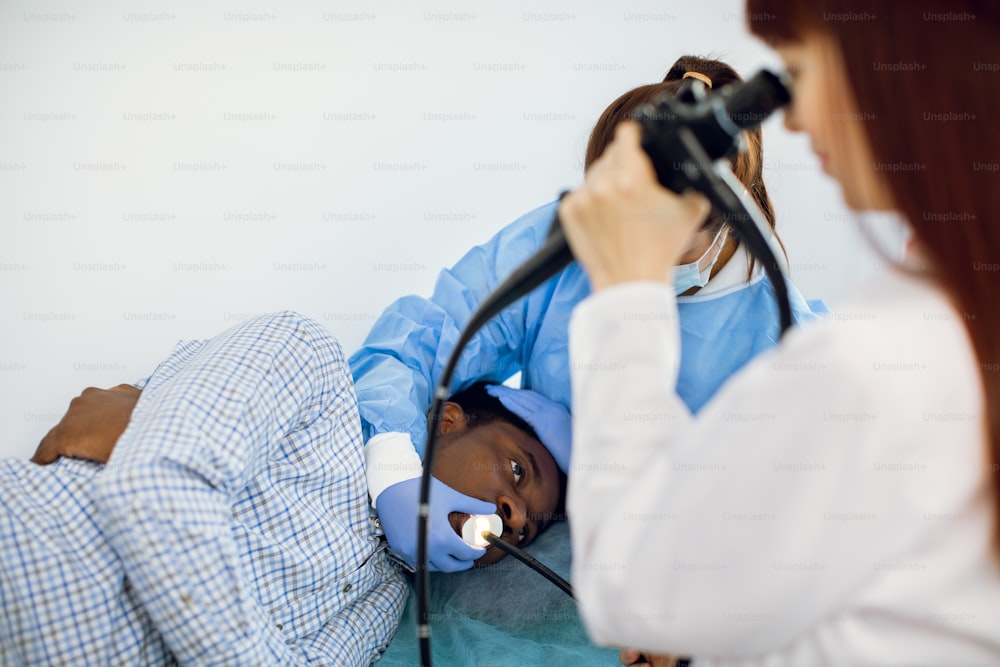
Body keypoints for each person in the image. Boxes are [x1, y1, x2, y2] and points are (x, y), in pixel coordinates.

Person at [557, 1, 1000, 664]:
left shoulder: (877, 361)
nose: (793, 117)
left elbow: (634, 582)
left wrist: (627, 289)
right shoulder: (946, 316)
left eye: (797, 70)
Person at [349, 54, 828, 574]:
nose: (615, 248)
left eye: (650, 235)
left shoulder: (790, 348)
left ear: (718, 217)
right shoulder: (570, 239)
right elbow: (422, 341)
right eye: (610, 216)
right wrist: (394, 466)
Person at [3, 312, 567, 665]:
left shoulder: (384, 602)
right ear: (448, 419)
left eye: (532, 525)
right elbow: (155, 491)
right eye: (517, 471)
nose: (517, 518)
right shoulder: (310, 367)